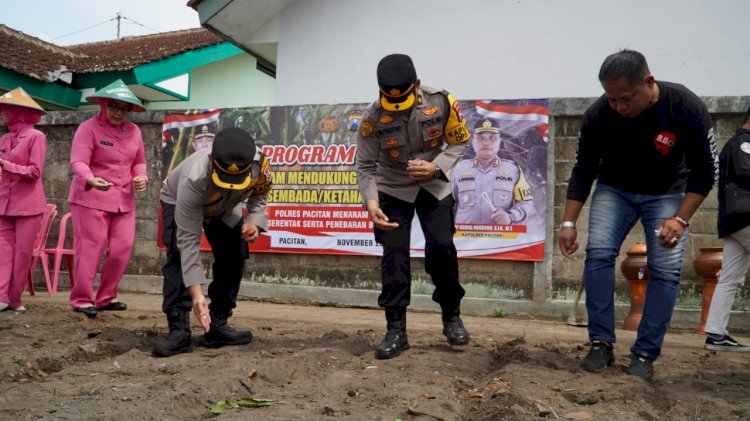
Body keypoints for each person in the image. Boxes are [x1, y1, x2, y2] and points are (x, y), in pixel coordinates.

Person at [558, 49, 717, 381]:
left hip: (668, 192)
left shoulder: (685, 106)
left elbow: (705, 172)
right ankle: (600, 342)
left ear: (648, 82)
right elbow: (582, 170)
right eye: (612, 99)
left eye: (626, 98)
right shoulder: (598, 114)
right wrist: (569, 222)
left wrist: (681, 219)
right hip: (614, 189)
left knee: (666, 268)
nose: (619, 106)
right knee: (598, 254)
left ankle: (645, 352)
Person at [356, 53, 471, 359]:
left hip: (434, 183)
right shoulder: (371, 117)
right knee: (394, 255)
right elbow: (366, 167)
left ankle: (451, 316)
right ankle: (396, 330)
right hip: (392, 187)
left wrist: (436, 167)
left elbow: (460, 141)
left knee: (442, 248)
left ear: (416, 85)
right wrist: (371, 202)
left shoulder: (442, 101)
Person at [152, 127, 272, 357]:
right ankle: (179, 330)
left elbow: (259, 196)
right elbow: (188, 243)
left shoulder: (261, 166)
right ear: (210, 160)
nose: (229, 184)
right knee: (178, 256)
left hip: (225, 207)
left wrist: (254, 223)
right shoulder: (193, 178)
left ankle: (217, 324)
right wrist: (198, 295)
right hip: (179, 200)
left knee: (235, 253)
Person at [67, 80, 149, 318]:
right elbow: (78, 161)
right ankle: (82, 299)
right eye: (114, 106)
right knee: (91, 247)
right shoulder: (88, 128)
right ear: (104, 105)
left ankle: (106, 297)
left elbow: (139, 162)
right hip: (90, 197)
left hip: (124, 199)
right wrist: (90, 178)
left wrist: (141, 176)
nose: (119, 112)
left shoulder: (134, 131)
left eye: (125, 108)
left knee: (122, 248)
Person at [704, 106, 750, 352]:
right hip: (744, 218)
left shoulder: (737, 142)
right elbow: (745, 172)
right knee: (730, 279)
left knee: (729, 279)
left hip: (735, 221)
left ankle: (716, 334)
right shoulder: (743, 142)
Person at [0, 87, 47, 312]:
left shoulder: (36, 137)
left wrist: (5, 165)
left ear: (16, 111)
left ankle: (15, 299)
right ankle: (1, 297)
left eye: (4, 109)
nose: (1, 113)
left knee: (22, 255)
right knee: (3, 253)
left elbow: (35, 172)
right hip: (4, 205)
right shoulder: (5, 138)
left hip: (28, 206)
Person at [452, 118, 533, 225]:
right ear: (473, 141)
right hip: (464, 237)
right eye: (481, 138)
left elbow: (525, 202)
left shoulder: (513, 170)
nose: (486, 143)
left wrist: (511, 216)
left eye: (493, 138)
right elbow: (448, 203)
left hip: (501, 239)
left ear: (500, 141)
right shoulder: (458, 169)